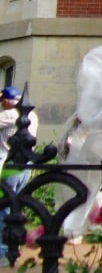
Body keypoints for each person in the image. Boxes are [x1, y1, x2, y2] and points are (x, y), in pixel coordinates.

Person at [0, 86, 39, 258]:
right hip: (26, 165)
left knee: (4, 209)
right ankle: (14, 245)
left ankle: (4, 249)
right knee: (16, 207)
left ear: (8, 100)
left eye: (2, 100)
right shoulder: (32, 115)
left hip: (9, 167)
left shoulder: (9, 114)